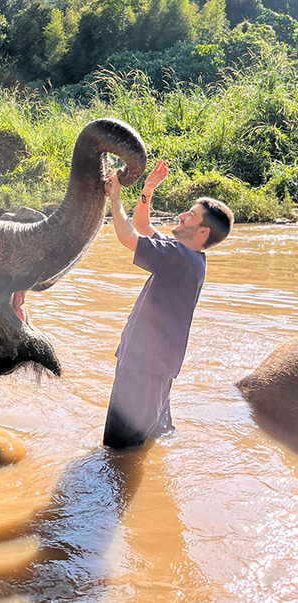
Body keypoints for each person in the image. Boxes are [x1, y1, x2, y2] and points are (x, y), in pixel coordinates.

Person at [102, 160, 233, 449]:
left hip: (143, 367)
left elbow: (128, 236)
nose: (182, 215)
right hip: (154, 366)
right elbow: (143, 225)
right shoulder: (191, 258)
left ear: (202, 233)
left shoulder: (178, 258)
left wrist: (114, 197)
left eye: (191, 215)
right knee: (147, 441)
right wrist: (147, 189)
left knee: (119, 451)